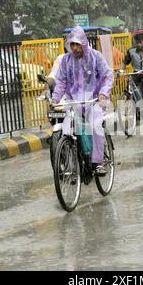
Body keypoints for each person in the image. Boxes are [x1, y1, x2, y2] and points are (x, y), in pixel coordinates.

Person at [52, 26, 114, 176]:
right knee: (67, 129)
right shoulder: (66, 60)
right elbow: (60, 81)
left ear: (84, 43)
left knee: (95, 125)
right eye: (72, 44)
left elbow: (107, 76)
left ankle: (98, 162)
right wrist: (55, 99)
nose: (74, 48)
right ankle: (71, 166)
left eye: (77, 44)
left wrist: (103, 94)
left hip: (94, 100)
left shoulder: (96, 57)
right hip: (74, 101)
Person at [120, 33, 143, 108]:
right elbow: (125, 62)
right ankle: (135, 104)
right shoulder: (131, 51)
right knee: (130, 86)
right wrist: (121, 71)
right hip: (136, 73)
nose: (138, 45)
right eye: (136, 43)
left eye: (140, 43)